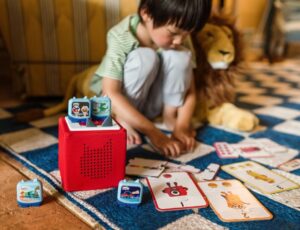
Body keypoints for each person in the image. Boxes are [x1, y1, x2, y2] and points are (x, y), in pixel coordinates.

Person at [90, 0, 212, 157]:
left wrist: (182, 125)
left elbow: (189, 90)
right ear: (146, 13)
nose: (180, 41)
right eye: (173, 33)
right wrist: (154, 134)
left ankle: (170, 116)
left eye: (188, 33)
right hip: (120, 104)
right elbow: (110, 94)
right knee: (145, 57)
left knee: (181, 56)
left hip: (154, 104)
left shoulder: (180, 34)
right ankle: (123, 118)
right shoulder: (121, 35)